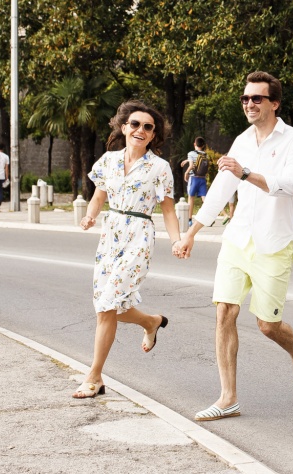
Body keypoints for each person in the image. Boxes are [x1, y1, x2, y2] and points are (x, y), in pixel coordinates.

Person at [174, 71, 293, 421]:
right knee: (224, 311)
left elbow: (290, 186)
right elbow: (222, 188)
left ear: (274, 103)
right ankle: (228, 398)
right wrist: (192, 232)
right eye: (245, 98)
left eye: (256, 98)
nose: (249, 104)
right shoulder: (242, 140)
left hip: (273, 242)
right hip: (238, 239)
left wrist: (246, 173)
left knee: (267, 325)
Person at [72, 100, 182, 399]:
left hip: (139, 237)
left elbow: (168, 210)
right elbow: (99, 196)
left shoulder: (159, 167)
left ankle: (94, 376)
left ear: (153, 135)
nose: (140, 130)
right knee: (107, 307)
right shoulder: (108, 160)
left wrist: (176, 240)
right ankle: (151, 321)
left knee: (108, 305)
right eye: (135, 124)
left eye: (148, 127)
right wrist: (90, 216)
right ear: (124, 128)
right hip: (110, 235)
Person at [181, 136, 209, 214]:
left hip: (194, 178)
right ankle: (210, 216)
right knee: (204, 198)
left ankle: (189, 218)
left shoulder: (191, 153)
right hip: (202, 179)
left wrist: (186, 173)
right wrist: (187, 160)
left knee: (191, 197)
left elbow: (191, 166)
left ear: (194, 144)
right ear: (203, 145)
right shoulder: (206, 155)